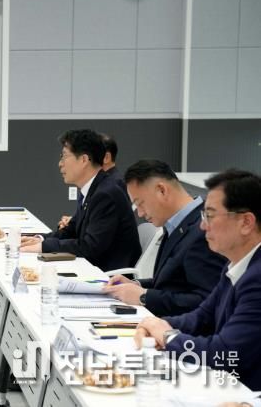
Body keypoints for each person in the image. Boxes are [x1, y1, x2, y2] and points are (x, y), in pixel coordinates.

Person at [134, 169, 261, 391]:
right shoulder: (234, 265)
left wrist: (167, 336)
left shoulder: (257, 278)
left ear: (246, 222)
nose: (202, 226)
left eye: (210, 216)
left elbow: (224, 353)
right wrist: (156, 325)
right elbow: (201, 317)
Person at [104, 160, 226, 316]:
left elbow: (206, 301)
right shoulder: (178, 224)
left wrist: (144, 297)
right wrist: (136, 285)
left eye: (140, 203)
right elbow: (172, 283)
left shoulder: (203, 231)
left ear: (162, 190)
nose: (140, 213)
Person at [21, 129, 141, 272]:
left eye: (64, 156)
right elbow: (72, 229)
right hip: (92, 267)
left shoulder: (106, 193)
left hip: (108, 275)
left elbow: (89, 247)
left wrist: (44, 247)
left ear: (84, 160)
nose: (60, 164)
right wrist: (41, 239)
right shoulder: (92, 188)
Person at [58, 133, 124, 230]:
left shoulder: (109, 189)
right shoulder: (92, 186)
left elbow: (93, 238)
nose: (60, 164)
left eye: (65, 156)